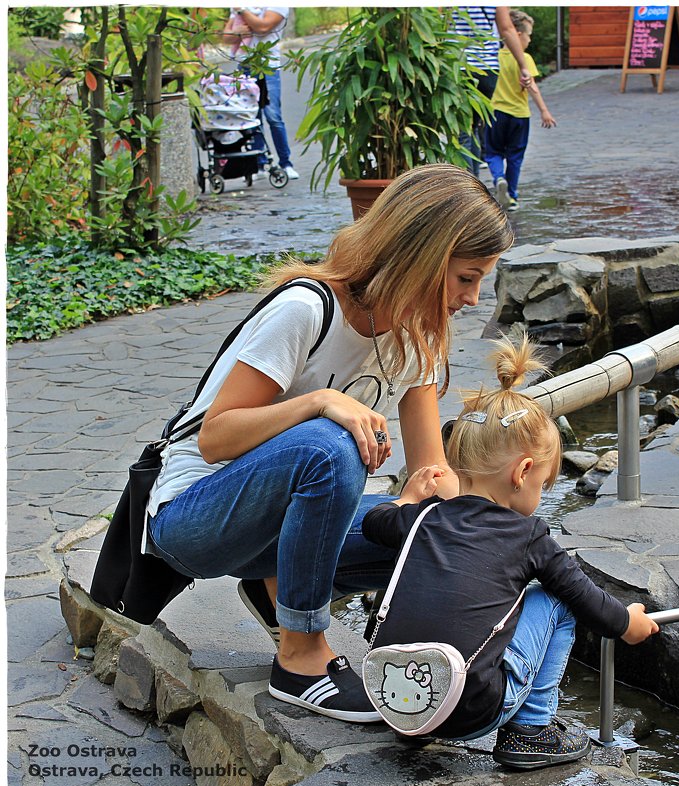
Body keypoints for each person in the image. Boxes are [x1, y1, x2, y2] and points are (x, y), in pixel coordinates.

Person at [144, 164, 514, 722]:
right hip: (194, 516)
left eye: (481, 279)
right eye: (466, 277)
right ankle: (300, 660)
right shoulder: (306, 309)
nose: (474, 297)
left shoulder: (417, 335)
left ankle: (336, 621)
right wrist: (320, 403)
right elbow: (215, 438)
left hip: (282, 532)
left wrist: (447, 500)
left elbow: (431, 469)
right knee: (328, 443)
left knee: (456, 535)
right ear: (420, 256)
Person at [360, 334, 659, 769]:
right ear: (522, 473)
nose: (539, 495)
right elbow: (585, 598)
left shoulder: (425, 518)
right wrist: (626, 623)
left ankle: (421, 722)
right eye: (542, 484)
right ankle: (530, 731)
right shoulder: (529, 535)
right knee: (552, 600)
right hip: (470, 709)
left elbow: (375, 523)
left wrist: (406, 500)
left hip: (395, 699)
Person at [485, 10, 557, 211]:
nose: (530, 40)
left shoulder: (494, 57)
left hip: (496, 112)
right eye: (528, 35)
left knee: (493, 152)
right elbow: (532, 86)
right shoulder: (524, 59)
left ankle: (499, 178)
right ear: (517, 34)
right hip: (520, 115)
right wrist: (544, 111)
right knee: (515, 157)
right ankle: (513, 196)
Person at [452, 6, 534, 174]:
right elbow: (507, 28)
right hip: (487, 69)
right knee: (473, 128)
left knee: (461, 133)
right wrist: (523, 66)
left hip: (457, 66)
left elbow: (439, 23)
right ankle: (474, 187)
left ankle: (467, 193)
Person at [223, 7, 299, 179]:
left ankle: (285, 163)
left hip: (268, 67)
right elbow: (226, 37)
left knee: (273, 116)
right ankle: (259, 164)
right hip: (244, 65)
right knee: (251, 117)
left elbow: (263, 27)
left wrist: (242, 12)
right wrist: (238, 31)